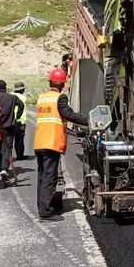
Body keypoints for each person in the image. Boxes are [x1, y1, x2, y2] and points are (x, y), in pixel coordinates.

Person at [34, 68, 87, 219]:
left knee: (42, 176)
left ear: (50, 82)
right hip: (52, 142)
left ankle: (42, 206)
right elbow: (67, 114)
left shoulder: (42, 97)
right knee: (50, 178)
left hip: (40, 142)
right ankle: (46, 212)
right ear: (62, 84)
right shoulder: (60, 98)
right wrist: (88, 120)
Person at [0, 79, 24, 184]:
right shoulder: (12, 97)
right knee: (7, 149)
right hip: (9, 127)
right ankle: (4, 168)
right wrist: (17, 117)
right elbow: (21, 106)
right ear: (5, 87)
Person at [12, 81, 28, 160]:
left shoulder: (11, 96)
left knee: (10, 140)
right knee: (20, 140)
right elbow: (22, 109)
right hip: (20, 121)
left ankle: (8, 157)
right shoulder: (23, 98)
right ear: (22, 90)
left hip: (11, 121)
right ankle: (20, 155)